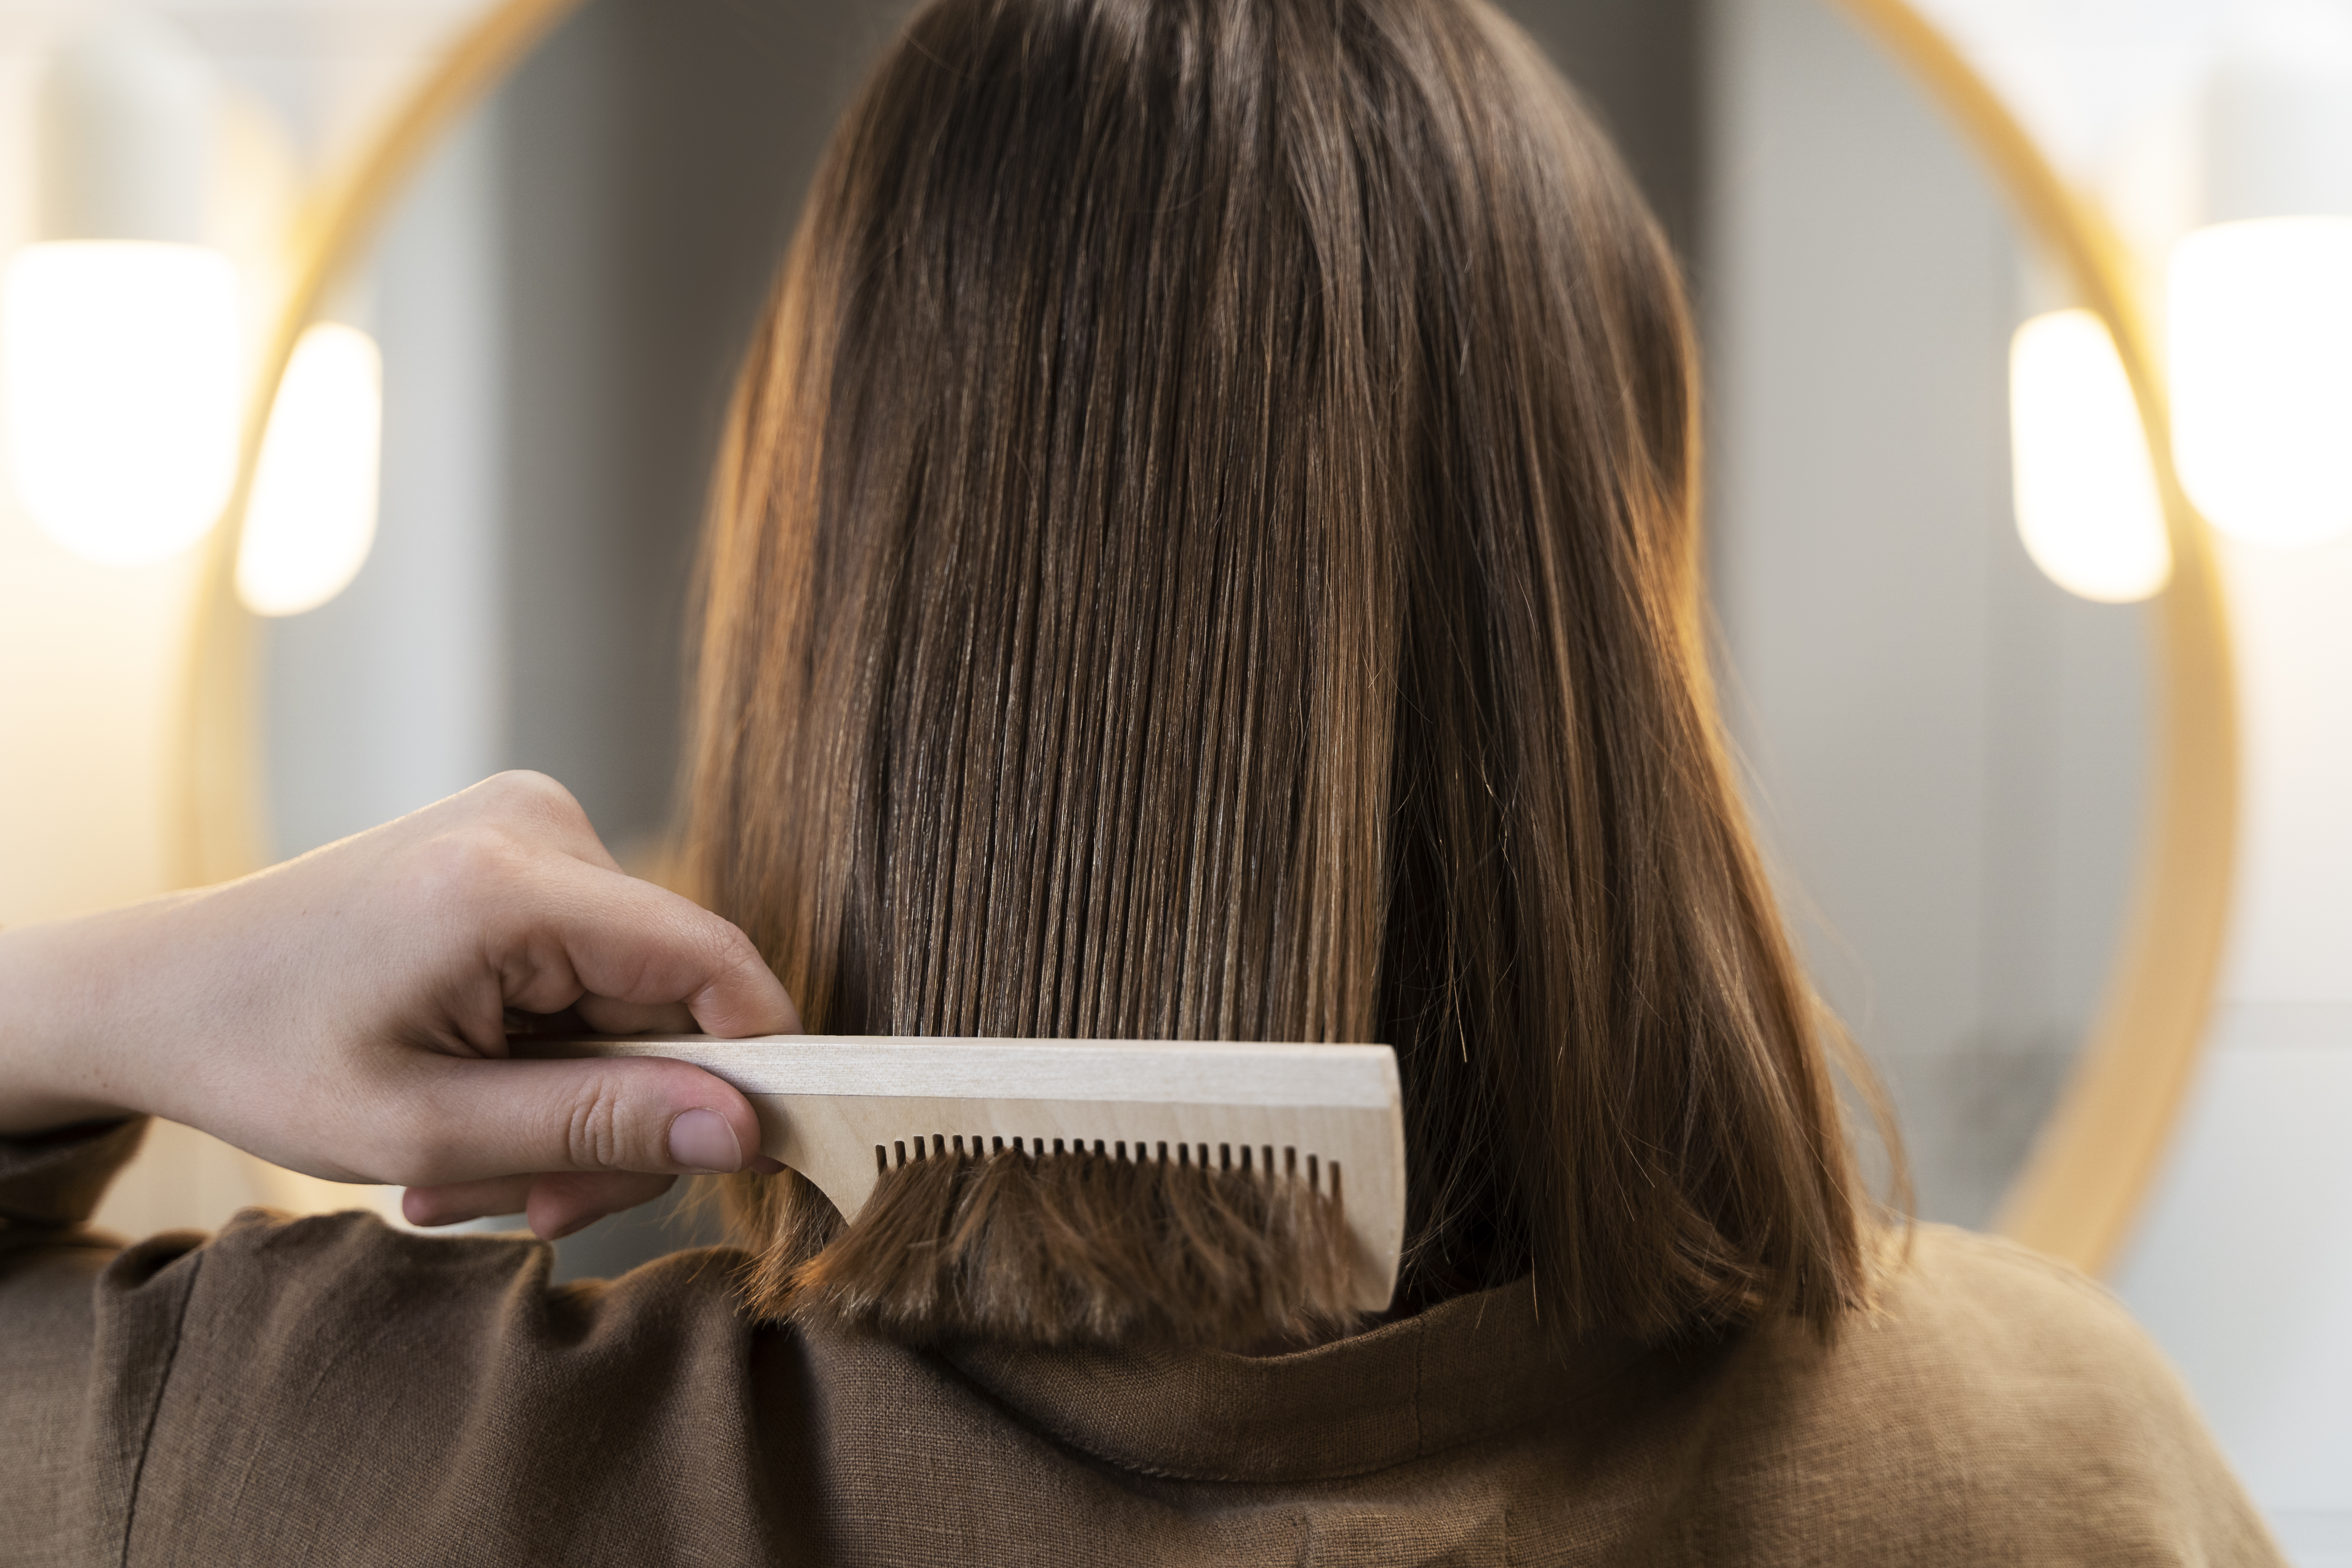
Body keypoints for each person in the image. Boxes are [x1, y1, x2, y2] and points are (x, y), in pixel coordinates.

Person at [1, 0, 2281, 1561]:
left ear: (845, 629)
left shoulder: (319, 1457)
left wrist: (112, 988)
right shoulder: (2061, 1478)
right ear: (1613, 676)